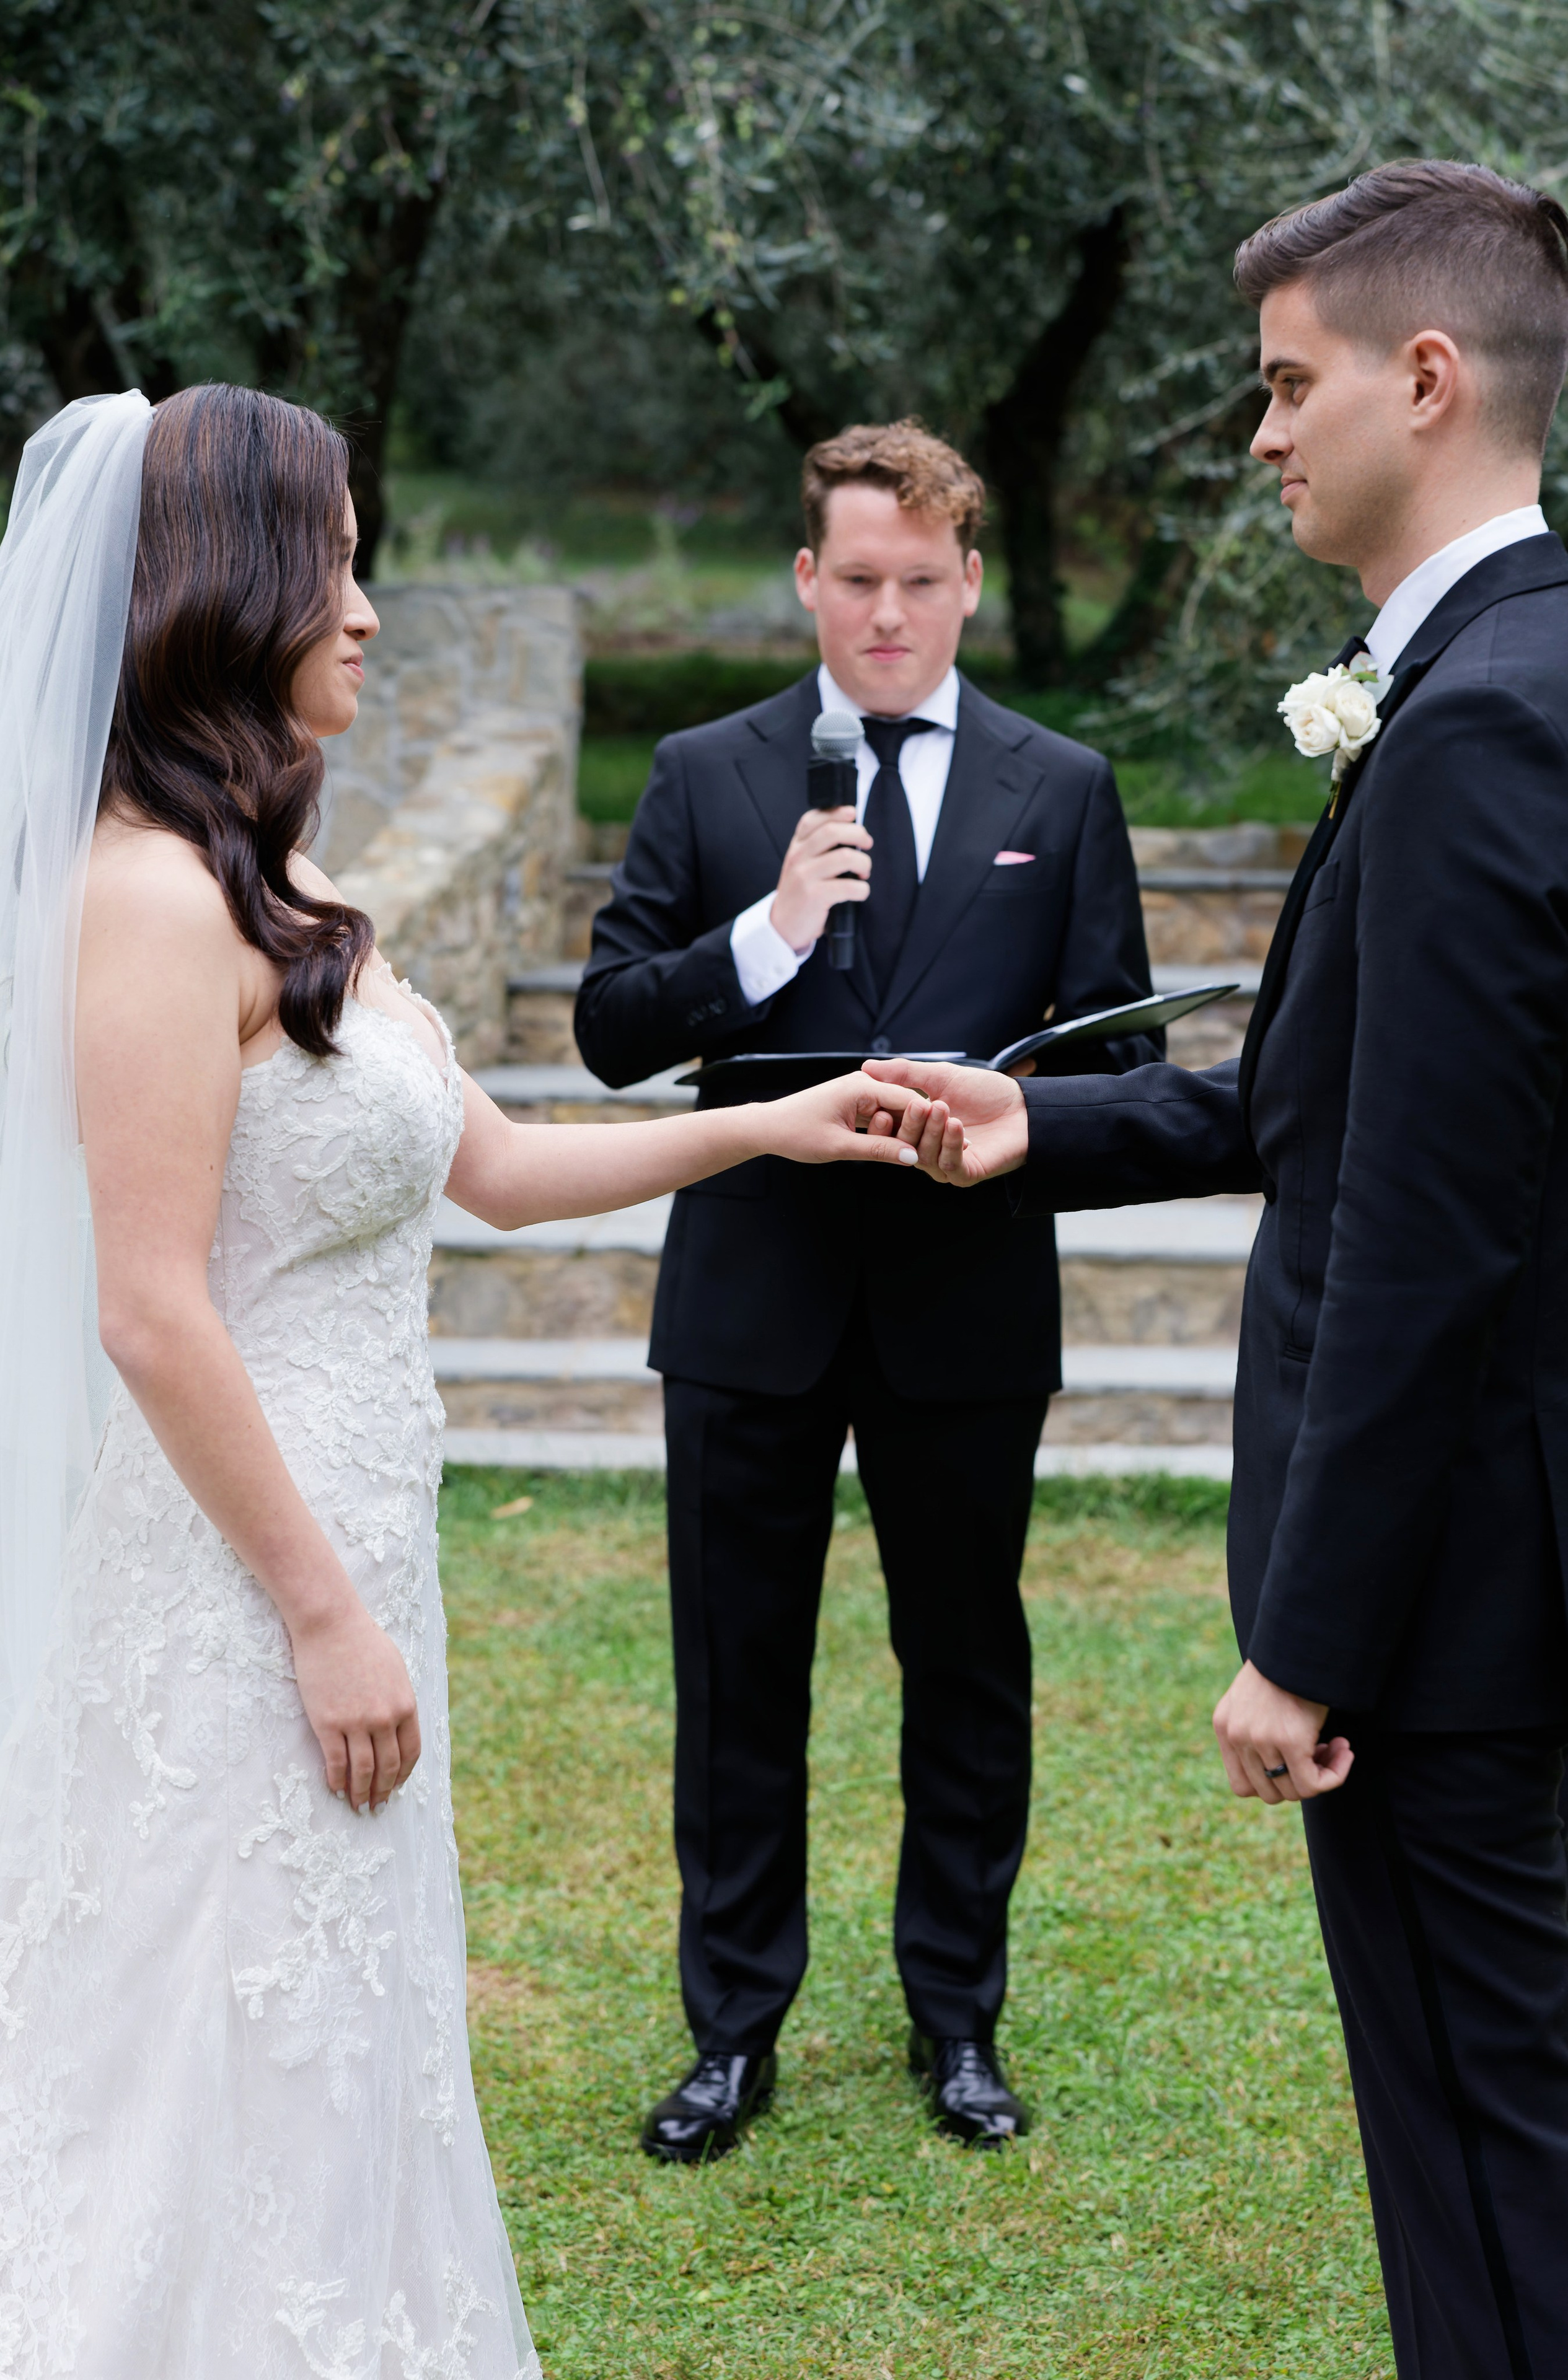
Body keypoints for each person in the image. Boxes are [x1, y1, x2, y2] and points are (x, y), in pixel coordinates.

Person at [0, 384, 917, 2375]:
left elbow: (492, 1166)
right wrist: (319, 1613)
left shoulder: (286, 898)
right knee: (214, 2037)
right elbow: (149, 1304)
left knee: (345, 2032)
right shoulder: (146, 897)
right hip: (245, 1596)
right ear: (231, 584)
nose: (374, 608)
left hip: (356, 1556)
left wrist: (780, 1120)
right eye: (339, 558)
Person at [867, 162, 1568, 2372]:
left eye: (1288, 385)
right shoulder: (1507, 670)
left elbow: (1424, 1238)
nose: (1261, 437)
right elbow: (1331, 1104)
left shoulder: (1477, 723)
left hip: (1455, 1622)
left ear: (1426, 380)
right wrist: (1035, 1120)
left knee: (1489, 2156)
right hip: (1495, 1576)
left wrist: (1310, 1637)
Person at [575, 420, 1161, 2160]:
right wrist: (759, 939)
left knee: (966, 1664)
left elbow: (1121, 1062)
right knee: (736, 1670)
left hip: (966, 1297)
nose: (888, 612)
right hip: (754, 1296)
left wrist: (1014, 1119)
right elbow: (612, 1030)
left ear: (971, 580)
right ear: (806, 582)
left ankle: (957, 2022)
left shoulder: (1060, 789)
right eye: (857, 580)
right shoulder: (707, 771)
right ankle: (731, 2030)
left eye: (921, 580)